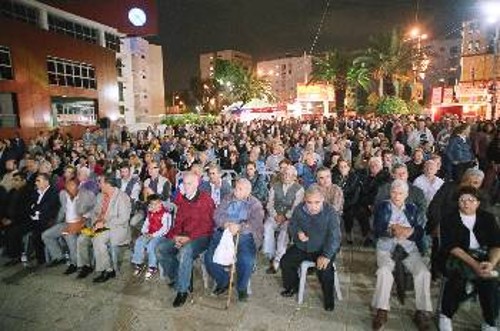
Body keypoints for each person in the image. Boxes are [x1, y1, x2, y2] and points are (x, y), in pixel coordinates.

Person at [371, 180, 432, 331]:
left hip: (409, 249)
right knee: (384, 272)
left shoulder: (413, 208)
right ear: (390, 192)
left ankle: (421, 311)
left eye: (400, 193)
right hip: (386, 248)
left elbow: (419, 231)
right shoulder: (383, 207)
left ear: (406, 195)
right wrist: (393, 231)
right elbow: (378, 229)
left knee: (423, 272)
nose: (396, 196)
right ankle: (381, 310)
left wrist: (407, 231)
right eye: (394, 192)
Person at [438, 186, 500, 331]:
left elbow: (496, 244)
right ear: (458, 202)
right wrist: (475, 265)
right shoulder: (449, 219)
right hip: (456, 256)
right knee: (457, 279)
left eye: (471, 200)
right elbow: (452, 247)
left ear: (478, 203)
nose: (466, 203)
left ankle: (489, 321)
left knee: (490, 283)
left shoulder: (487, 218)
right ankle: (446, 315)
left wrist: (490, 264)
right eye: (462, 200)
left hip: (482, 256)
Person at [156, 172, 215, 307]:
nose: (186, 186)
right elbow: (178, 222)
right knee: (160, 249)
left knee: (184, 252)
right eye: (184, 183)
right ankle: (178, 277)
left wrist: (188, 238)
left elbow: (207, 226)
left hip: (202, 237)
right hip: (183, 236)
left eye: (190, 183)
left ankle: (182, 291)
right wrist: (176, 236)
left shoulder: (206, 200)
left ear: (197, 184)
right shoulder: (182, 200)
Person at [279, 184, 341, 312]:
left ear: (323, 200)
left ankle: (329, 299)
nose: (313, 206)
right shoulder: (299, 209)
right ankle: (293, 286)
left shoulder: (330, 212)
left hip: (323, 248)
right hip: (303, 246)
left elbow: (335, 237)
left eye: (317, 202)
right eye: (309, 202)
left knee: (325, 270)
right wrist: (298, 233)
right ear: (304, 200)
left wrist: (327, 255)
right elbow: (292, 225)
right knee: (285, 261)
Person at [204, 178, 264, 302]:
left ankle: (242, 288)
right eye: (235, 187)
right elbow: (217, 215)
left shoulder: (255, 204)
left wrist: (239, 227)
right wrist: (225, 224)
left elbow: (256, 223)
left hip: (244, 236)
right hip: (224, 233)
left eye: (240, 189)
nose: (235, 191)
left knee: (246, 260)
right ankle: (224, 281)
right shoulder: (227, 198)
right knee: (210, 258)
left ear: (248, 191)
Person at [41, 179, 96, 273]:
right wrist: (56, 222)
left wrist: (85, 217)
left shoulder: (87, 195)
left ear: (78, 187)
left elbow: (94, 209)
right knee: (46, 235)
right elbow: (62, 210)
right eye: (67, 186)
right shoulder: (63, 195)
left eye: (72, 186)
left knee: (69, 236)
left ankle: (75, 264)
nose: (69, 188)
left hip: (82, 224)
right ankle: (58, 256)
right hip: (67, 223)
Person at [263, 165, 304, 274]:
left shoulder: (299, 189)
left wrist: (286, 216)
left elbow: (296, 207)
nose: (286, 176)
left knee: (284, 232)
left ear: (294, 176)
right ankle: (270, 255)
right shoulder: (274, 186)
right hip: (275, 215)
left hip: (290, 218)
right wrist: (275, 215)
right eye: (284, 174)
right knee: (267, 227)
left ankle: (277, 260)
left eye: (289, 174)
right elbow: (270, 204)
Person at [90, 175, 131, 283]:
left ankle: (107, 270)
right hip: (101, 225)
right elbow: (94, 212)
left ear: (108, 185)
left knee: (98, 239)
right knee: (89, 237)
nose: (99, 185)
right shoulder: (100, 196)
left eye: (100, 183)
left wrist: (104, 224)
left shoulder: (122, 197)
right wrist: (96, 222)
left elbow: (123, 218)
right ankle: (102, 267)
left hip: (117, 228)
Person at [131, 194, 172, 280]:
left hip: (162, 236)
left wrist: (153, 235)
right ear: (149, 205)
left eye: (157, 204)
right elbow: (146, 224)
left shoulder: (166, 214)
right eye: (152, 204)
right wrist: (144, 232)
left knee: (151, 245)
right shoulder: (150, 213)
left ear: (161, 203)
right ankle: (139, 263)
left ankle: (152, 267)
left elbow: (165, 229)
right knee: (139, 241)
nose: (155, 206)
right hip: (149, 234)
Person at [332, 159, 361, 244]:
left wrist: (345, 204)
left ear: (349, 167)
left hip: (350, 202)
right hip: (336, 202)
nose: (343, 168)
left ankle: (349, 232)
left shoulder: (354, 178)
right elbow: (333, 191)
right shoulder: (334, 177)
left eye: (345, 166)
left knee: (349, 214)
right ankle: (335, 235)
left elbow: (355, 194)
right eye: (341, 167)